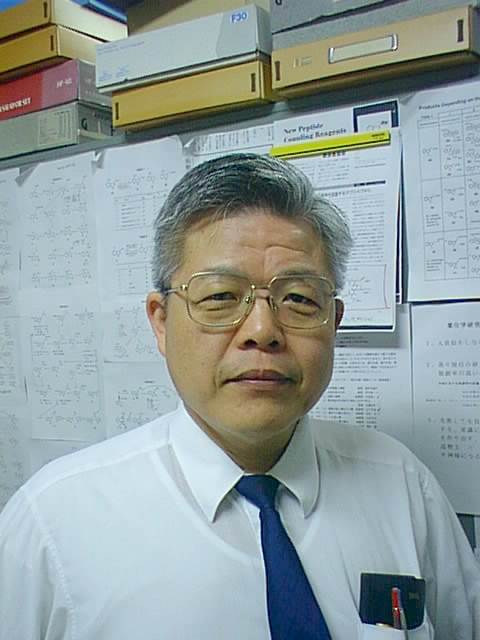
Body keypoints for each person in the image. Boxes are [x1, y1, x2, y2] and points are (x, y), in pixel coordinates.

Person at [0, 153, 478, 639]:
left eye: (298, 299)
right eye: (221, 297)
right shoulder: (53, 527)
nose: (263, 330)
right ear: (161, 322)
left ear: (333, 323)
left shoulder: (404, 487)